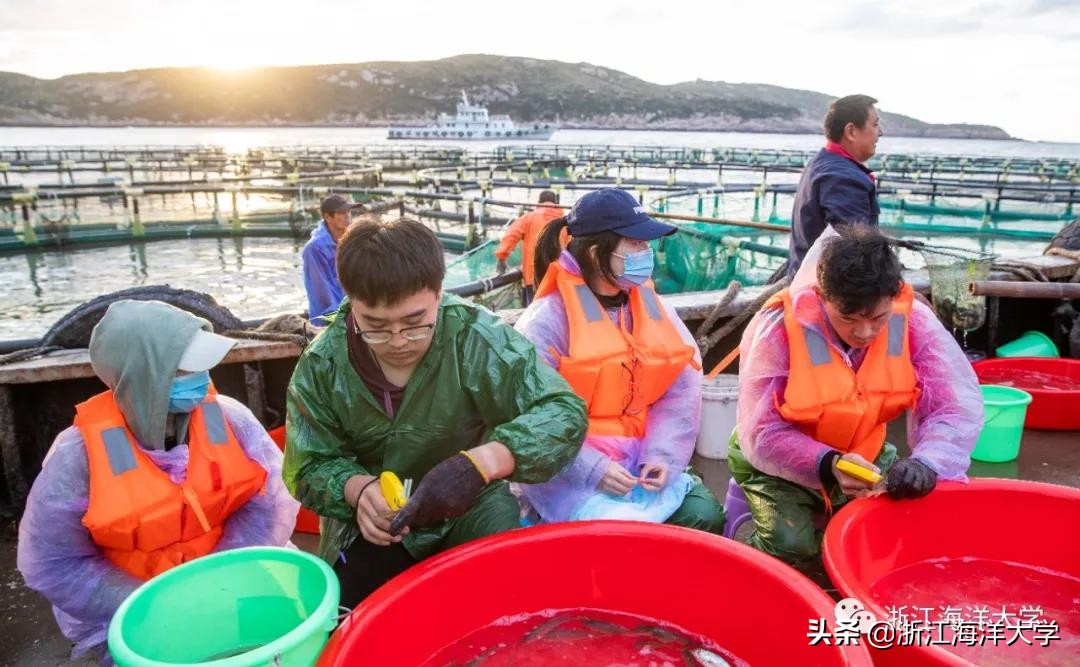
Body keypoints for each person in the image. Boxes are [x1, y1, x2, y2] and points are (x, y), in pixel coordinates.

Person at [283, 217, 587, 607]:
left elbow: (563, 411)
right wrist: (358, 490)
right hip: (376, 520)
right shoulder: (322, 364)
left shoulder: (476, 337)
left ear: (439, 294)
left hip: (472, 502)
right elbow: (305, 466)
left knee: (513, 595)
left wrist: (485, 461)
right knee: (347, 613)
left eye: (415, 324)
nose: (397, 342)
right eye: (375, 326)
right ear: (350, 300)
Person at [17, 300, 299, 661]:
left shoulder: (230, 419)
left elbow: (271, 502)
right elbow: (53, 563)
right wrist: (156, 602)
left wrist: (222, 578)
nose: (202, 378)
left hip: (232, 577)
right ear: (142, 375)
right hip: (132, 608)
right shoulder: (77, 457)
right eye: (183, 370)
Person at [729, 226, 981, 566]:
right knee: (794, 547)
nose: (865, 332)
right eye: (847, 318)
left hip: (867, 452)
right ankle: (753, 555)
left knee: (902, 530)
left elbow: (953, 407)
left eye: (878, 318)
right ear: (821, 296)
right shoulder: (778, 327)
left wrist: (927, 462)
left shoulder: (912, 319)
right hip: (777, 460)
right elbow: (761, 433)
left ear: (894, 295)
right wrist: (829, 463)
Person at [513, 188, 725, 533]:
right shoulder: (546, 322)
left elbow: (681, 389)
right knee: (619, 534)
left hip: (641, 460)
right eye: (636, 244)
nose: (647, 252)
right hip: (567, 475)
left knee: (705, 515)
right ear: (597, 253)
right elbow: (530, 417)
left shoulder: (653, 308)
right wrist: (591, 469)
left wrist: (663, 456)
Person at [788, 94, 884, 278]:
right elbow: (855, 260)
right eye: (875, 124)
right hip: (826, 294)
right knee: (921, 303)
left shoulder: (821, 162)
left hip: (804, 278)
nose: (880, 132)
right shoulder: (844, 178)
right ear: (851, 131)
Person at [494, 189, 567, 305]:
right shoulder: (565, 221)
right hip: (559, 276)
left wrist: (501, 257)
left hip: (534, 275)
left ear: (538, 202)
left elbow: (511, 235)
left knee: (533, 312)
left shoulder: (529, 217)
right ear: (556, 202)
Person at [302, 193, 364, 321]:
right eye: (341, 212)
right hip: (330, 321)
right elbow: (323, 294)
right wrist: (343, 318)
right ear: (328, 217)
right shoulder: (314, 248)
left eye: (348, 211)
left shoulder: (352, 241)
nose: (347, 215)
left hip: (353, 314)